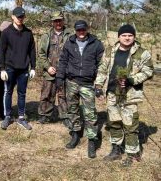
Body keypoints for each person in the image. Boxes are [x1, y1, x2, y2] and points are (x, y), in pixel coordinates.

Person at [95, 24, 153, 166]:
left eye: (130, 35)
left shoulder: (142, 53)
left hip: (130, 95)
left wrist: (131, 80)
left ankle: (132, 154)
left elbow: (148, 71)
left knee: (130, 125)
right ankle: (116, 150)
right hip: (112, 93)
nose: (127, 38)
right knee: (114, 123)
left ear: (134, 37)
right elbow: (103, 69)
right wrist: (98, 86)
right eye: (124, 35)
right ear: (119, 37)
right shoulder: (110, 51)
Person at [55, 20, 104, 158]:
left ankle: (92, 140)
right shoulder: (69, 43)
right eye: (78, 30)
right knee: (73, 110)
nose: (81, 33)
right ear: (75, 31)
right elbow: (63, 61)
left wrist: (99, 84)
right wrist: (60, 77)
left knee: (90, 113)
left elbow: (102, 64)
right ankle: (75, 134)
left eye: (83, 30)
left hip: (88, 83)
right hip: (72, 82)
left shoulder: (96, 44)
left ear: (87, 29)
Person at [0, 7, 36, 130]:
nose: (20, 19)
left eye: (22, 17)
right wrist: (2, 68)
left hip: (23, 69)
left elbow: (32, 51)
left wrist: (33, 67)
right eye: (18, 16)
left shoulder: (28, 33)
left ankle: (21, 118)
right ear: (13, 17)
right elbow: (1, 52)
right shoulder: (6, 32)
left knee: (22, 93)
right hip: (10, 68)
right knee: (8, 92)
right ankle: (7, 116)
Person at [37, 11, 70, 124]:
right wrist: (48, 67)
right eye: (55, 21)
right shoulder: (46, 35)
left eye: (60, 20)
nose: (58, 23)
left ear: (63, 20)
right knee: (47, 94)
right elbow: (41, 54)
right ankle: (44, 115)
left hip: (65, 72)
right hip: (49, 71)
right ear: (52, 22)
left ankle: (65, 117)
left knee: (63, 95)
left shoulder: (69, 35)